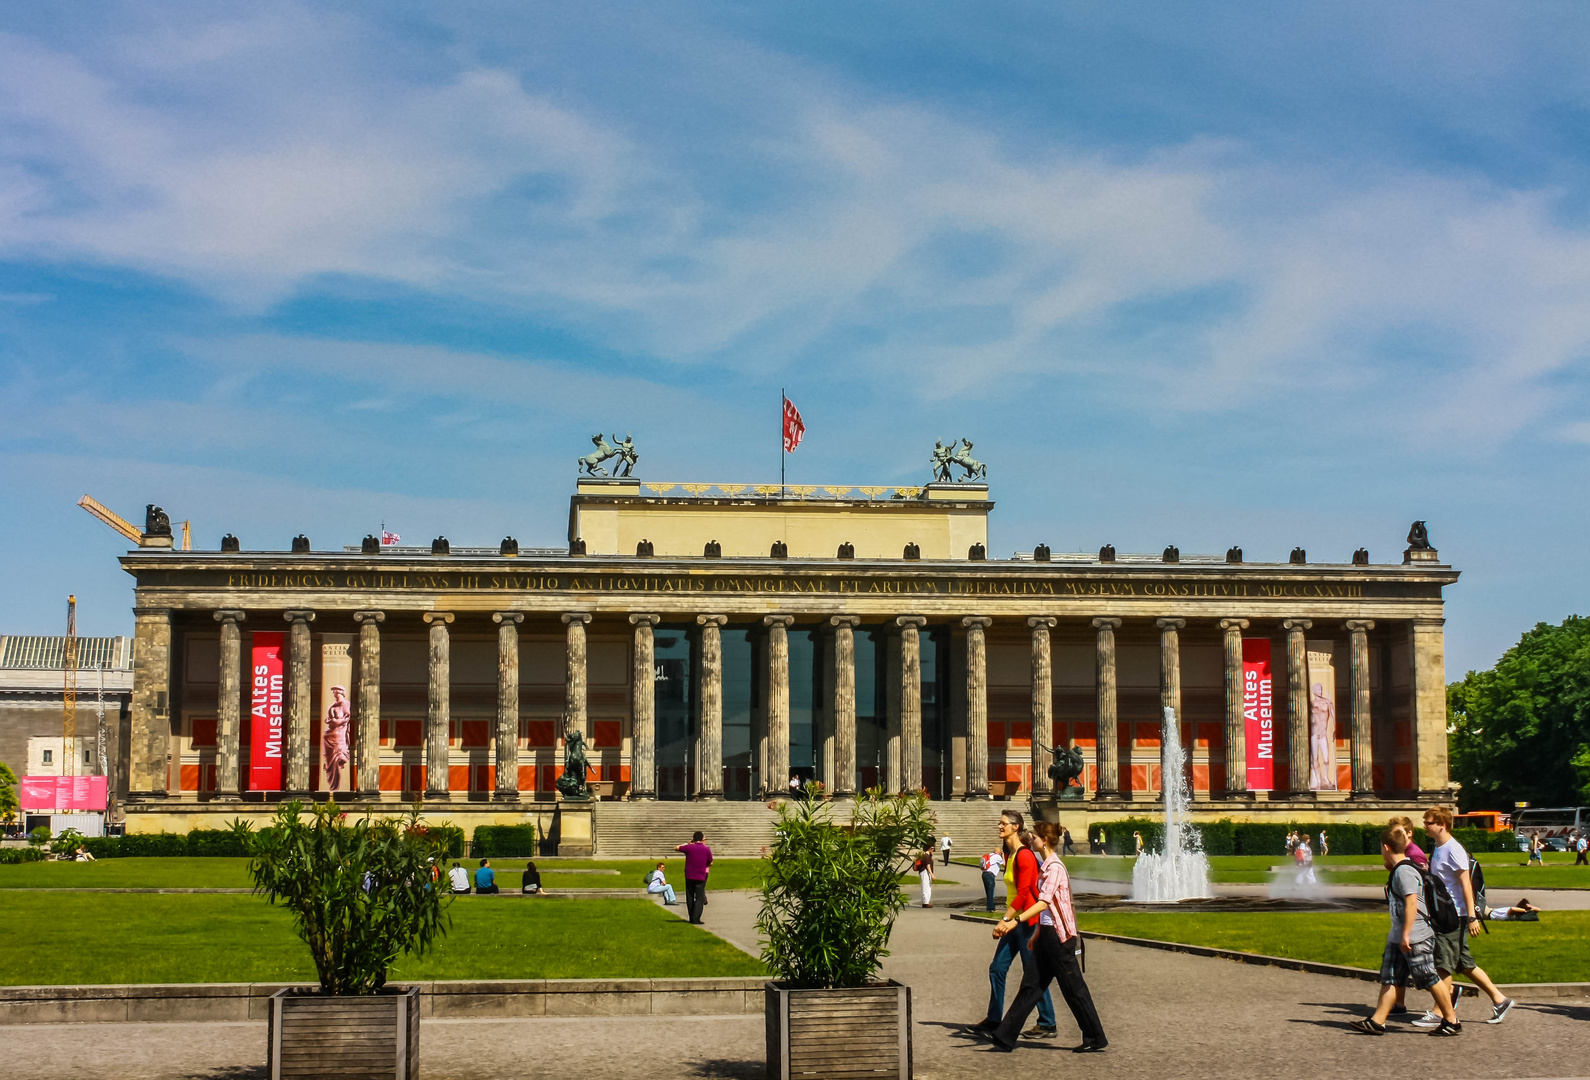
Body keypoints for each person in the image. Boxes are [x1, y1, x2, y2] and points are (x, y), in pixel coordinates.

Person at [982, 821, 1106, 1053]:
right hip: (1047, 935)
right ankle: (1005, 1036)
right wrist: (1037, 933)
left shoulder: (1055, 867)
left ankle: (1095, 1037)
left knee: (1074, 989)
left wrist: (1014, 922)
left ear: (1045, 841)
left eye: (1035, 837)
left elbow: (1043, 902)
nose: (1031, 840)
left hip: (1060, 938)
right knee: (1031, 986)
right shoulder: (1045, 866)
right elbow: (1047, 910)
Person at [1350, 826, 1459, 1036]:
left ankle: (1451, 1020)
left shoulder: (1405, 871)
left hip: (1414, 935)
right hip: (1398, 935)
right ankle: (1378, 1021)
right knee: (1389, 977)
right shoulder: (1399, 868)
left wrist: (1407, 934)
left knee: (1428, 976)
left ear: (1385, 847)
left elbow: (1411, 904)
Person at [1422, 806, 1515, 1026]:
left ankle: (1440, 1012)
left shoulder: (1453, 849)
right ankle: (1500, 999)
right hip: (1445, 913)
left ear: (1441, 825)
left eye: (1428, 822)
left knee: (1442, 963)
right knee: (1463, 964)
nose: (1425, 825)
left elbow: (1466, 884)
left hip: (1455, 916)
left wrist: (1472, 916)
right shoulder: (1438, 847)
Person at [968, 810, 1057, 1040]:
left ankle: (1047, 1022)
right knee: (997, 968)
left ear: (1016, 827)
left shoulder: (1025, 855)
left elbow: (1025, 893)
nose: (999, 826)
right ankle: (994, 1019)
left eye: (1003, 823)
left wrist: (1006, 919)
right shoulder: (1011, 855)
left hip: (1027, 922)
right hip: (1015, 922)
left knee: (1032, 974)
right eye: (1000, 822)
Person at [676, 831, 713, 925]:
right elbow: (711, 862)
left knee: (690, 896)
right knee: (699, 897)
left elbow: (676, 847)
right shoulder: (706, 849)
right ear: (701, 839)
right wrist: (705, 864)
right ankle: (696, 918)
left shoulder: (689, 847)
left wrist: (689, 842)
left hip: (689, 875)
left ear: (693, 838)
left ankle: (691, 916)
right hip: (700, 875)